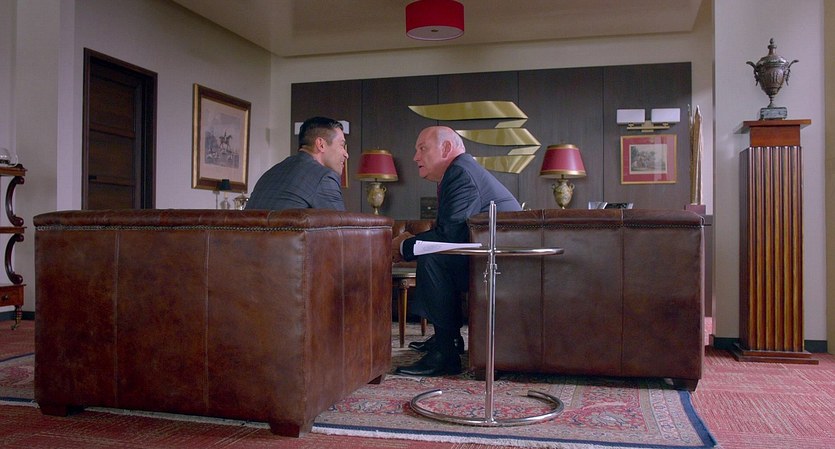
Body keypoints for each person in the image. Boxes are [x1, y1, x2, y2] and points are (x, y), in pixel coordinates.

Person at [392, 126, 521, 376]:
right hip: (491, 259)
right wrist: (409, 243)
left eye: (422, 148)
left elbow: (448, 238)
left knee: (433, 259)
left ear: (447, 148)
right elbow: (454, 232)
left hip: (501, 267)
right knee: (434, 255)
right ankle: (448, 338)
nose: (415, 157)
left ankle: (445, 353)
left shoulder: (460, 172)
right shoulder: (459, 170)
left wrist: (402, 246)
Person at [246, 116, 347, 211]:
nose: (346, 154)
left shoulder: (269, 174)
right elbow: (341, 223)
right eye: (342, 145)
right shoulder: (324, 177)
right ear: (321, 145)